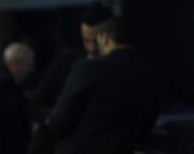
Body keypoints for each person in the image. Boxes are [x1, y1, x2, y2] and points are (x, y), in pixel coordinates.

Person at [45, 16, 165, 154]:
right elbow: (148, 124)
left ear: (105, 38)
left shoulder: (87, 68)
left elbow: (58, 123)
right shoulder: (151, 75)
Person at [27, 3, 113, 154]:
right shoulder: (66, 60)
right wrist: (62, 116)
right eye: (86, 40)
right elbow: (36, 105)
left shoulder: (117, 69)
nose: (92, 48)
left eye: (96, 41)